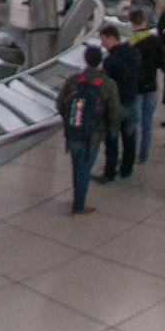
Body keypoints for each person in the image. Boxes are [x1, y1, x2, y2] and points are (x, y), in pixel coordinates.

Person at [56, 44, 120, 215]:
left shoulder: (74, 80)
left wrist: (69, 120)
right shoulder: (107, 84)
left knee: (76, 166)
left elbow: (60, 102)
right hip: (92, 135)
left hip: (73, 132)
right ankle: (78, 205)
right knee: (84, 169)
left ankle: (77, 197)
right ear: (100, 61)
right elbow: (114, 112)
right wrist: (110, 128)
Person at [100, 21, 147, 181]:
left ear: (111, 38)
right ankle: (127, 169)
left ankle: (110, 172)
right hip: (132, 101)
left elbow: (106, 85)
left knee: (112, 140)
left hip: (116, 106)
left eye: (104, 40)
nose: (102, 44)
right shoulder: (133, 52)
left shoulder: (110, 60)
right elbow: (141, 75)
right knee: (129, 137)